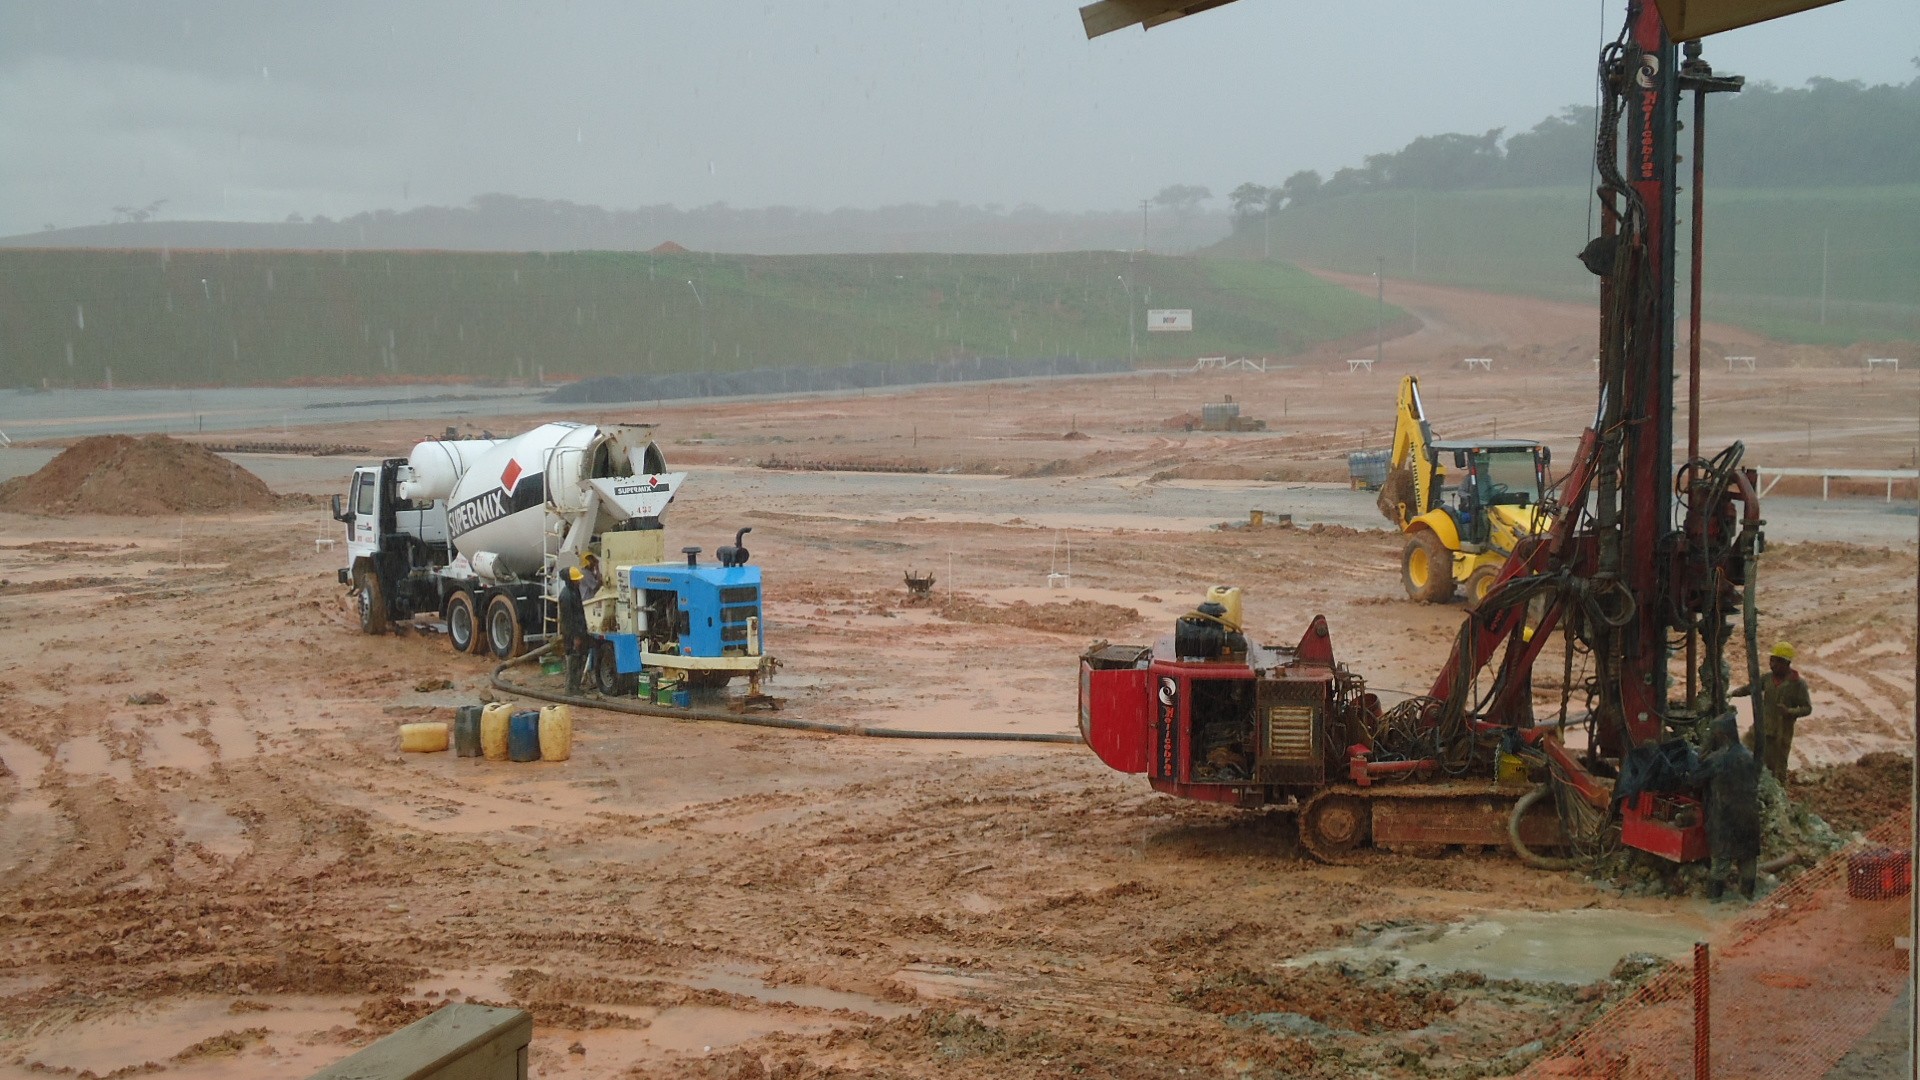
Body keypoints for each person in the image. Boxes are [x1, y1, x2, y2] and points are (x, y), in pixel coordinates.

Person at [1688, 711, 1762, 901]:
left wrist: (1703, 752)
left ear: (1719, 736)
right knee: (1748, 862)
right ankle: (1748, 898)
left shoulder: (1717, 760)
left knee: (1720, 864)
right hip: (1750, 820)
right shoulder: (1749, 756)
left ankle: (1715, 901)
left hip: (1725, 821)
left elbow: (1694, 779)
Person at [1731, 642, 1813, 780]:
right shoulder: (1767, 678)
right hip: (1760, 729)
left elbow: (1807, 708)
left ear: (1786, 663)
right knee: (1745, 754)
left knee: (1777, 770)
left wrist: (1790, 712)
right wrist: (1732, 693)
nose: (1772, 665)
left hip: (1780, 734)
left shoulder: (1798, 684)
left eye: (1776, 662)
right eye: (1771, 660)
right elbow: (1751, 688)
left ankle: (1777, 797)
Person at [557, 566, 592, 695]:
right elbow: (568, 620)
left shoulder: (574, 592)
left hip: (579, 632)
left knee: (580, 659)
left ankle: (575, 688)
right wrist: (575, 637)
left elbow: (579, 614)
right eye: (576, 580)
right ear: (570, 581)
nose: (579, 582)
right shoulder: (566, 596)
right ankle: (570, 689)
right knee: (573, 661)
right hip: (572, 636)